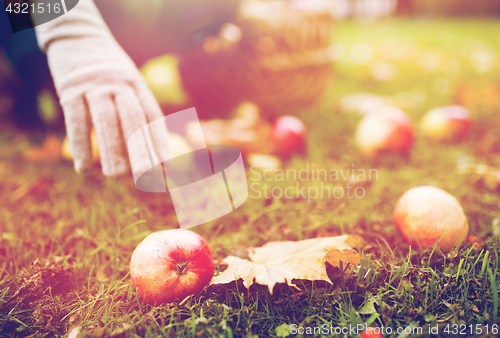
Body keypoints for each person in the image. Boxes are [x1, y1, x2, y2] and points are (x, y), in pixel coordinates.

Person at [1, 0, 237, 177]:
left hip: (128, 47)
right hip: (31, 34)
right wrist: (68, 24)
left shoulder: (210, 11)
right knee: (43, 100)